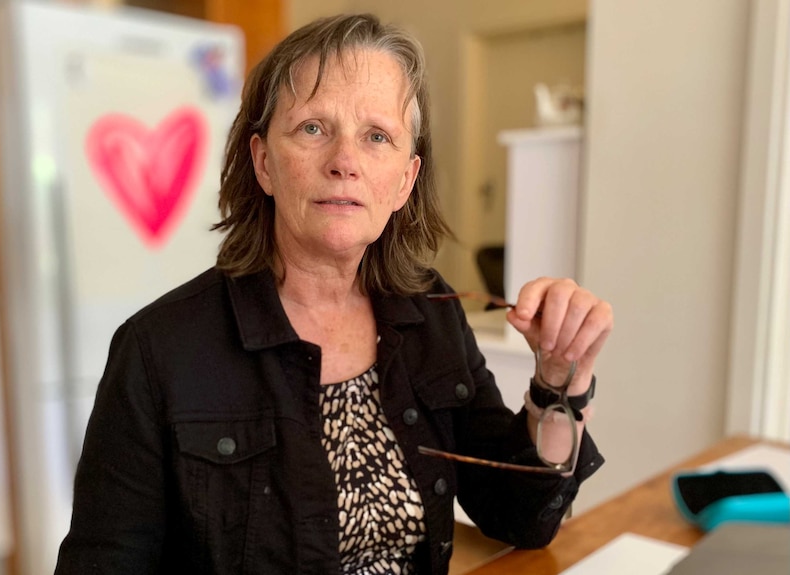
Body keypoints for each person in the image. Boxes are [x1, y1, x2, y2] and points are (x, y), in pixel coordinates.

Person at [55, 13, 613, 575]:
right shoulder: (158, 351)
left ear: (404, 181)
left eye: (377, 137)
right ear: (264, 162)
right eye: (313, 129)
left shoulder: (429, 311)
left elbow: (523, 516)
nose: (344, 162)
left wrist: (559, 382)